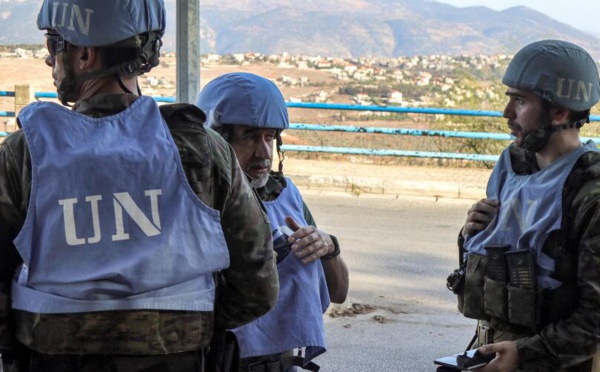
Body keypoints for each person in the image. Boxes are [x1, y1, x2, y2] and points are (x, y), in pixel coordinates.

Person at [0, 1, 279, 371]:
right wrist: (181, 331)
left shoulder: (26, 153)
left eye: (54, 44)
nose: (50, 60)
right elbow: (257, 286)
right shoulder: (203, 150)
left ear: (84, 55)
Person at [447, 39, 600, 372]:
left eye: (520, 101)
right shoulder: (513, 165)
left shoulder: (590, 192)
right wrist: (470, 235)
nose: (507, 113)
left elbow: (595, 319)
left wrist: (526, 355)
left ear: (560, 111)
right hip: (493, 348)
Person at [196, 72, 350, 372]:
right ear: (216, 140)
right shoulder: (197, 200)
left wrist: (328, 247)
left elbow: (339, 292)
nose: (264, 152)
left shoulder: (284, 195)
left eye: (270, 137)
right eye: (250, 137)